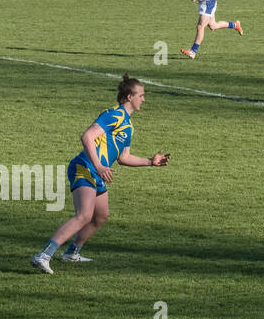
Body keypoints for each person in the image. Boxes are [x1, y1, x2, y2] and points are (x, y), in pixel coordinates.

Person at [30, 75, 170, 273]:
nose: (144, 100)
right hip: (85, 167)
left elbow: (124, 157)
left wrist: (150, 162)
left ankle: (71, 253)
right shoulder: (114, 115)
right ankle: (43, 255)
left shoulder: (128, 126)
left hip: (96, 172)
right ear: (130, 97)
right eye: (141, 95)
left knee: (101, 216)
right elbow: (87, 136)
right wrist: (98, 165)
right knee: (84, 215)